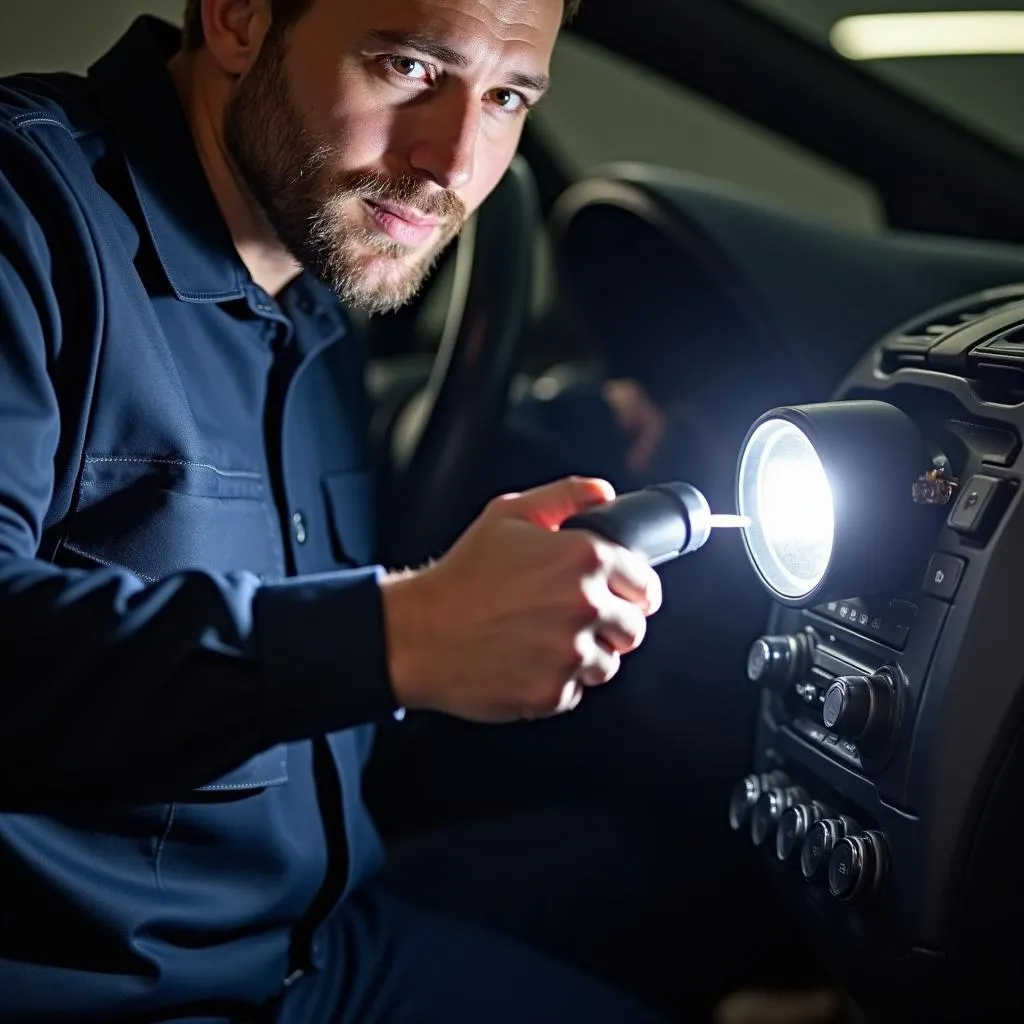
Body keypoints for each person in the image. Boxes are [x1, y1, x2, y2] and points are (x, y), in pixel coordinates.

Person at [0, 1, 680, 1021]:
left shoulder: (317, 259)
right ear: (236, 18)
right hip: (117, 989)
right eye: (408, 68)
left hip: (311, 942)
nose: (451, 161)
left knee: (678, 869)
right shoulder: (24, 213)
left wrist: (587, 421)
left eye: (503, 97)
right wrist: (399, 636)